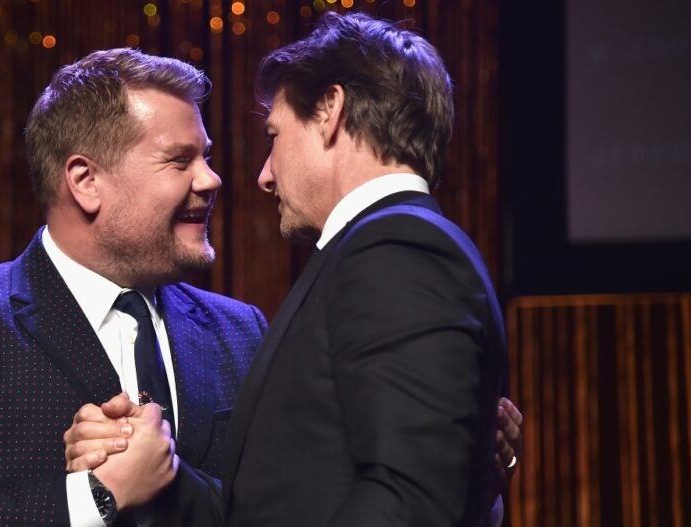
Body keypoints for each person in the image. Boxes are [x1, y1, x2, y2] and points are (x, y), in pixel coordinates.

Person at [0, 48, 266, 526]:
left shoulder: (241, 330)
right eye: (180, 161)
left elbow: (287, 507)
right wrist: (96, 495)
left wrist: (171, 480)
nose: (211, 179)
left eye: (206, 156)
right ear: (86, 181)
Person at [216, 12, 511, 526]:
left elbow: (412, 497)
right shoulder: (384, 246)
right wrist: (159, 477)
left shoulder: (398, 248)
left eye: (273, 135)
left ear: (330, 110)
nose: (265, 175)